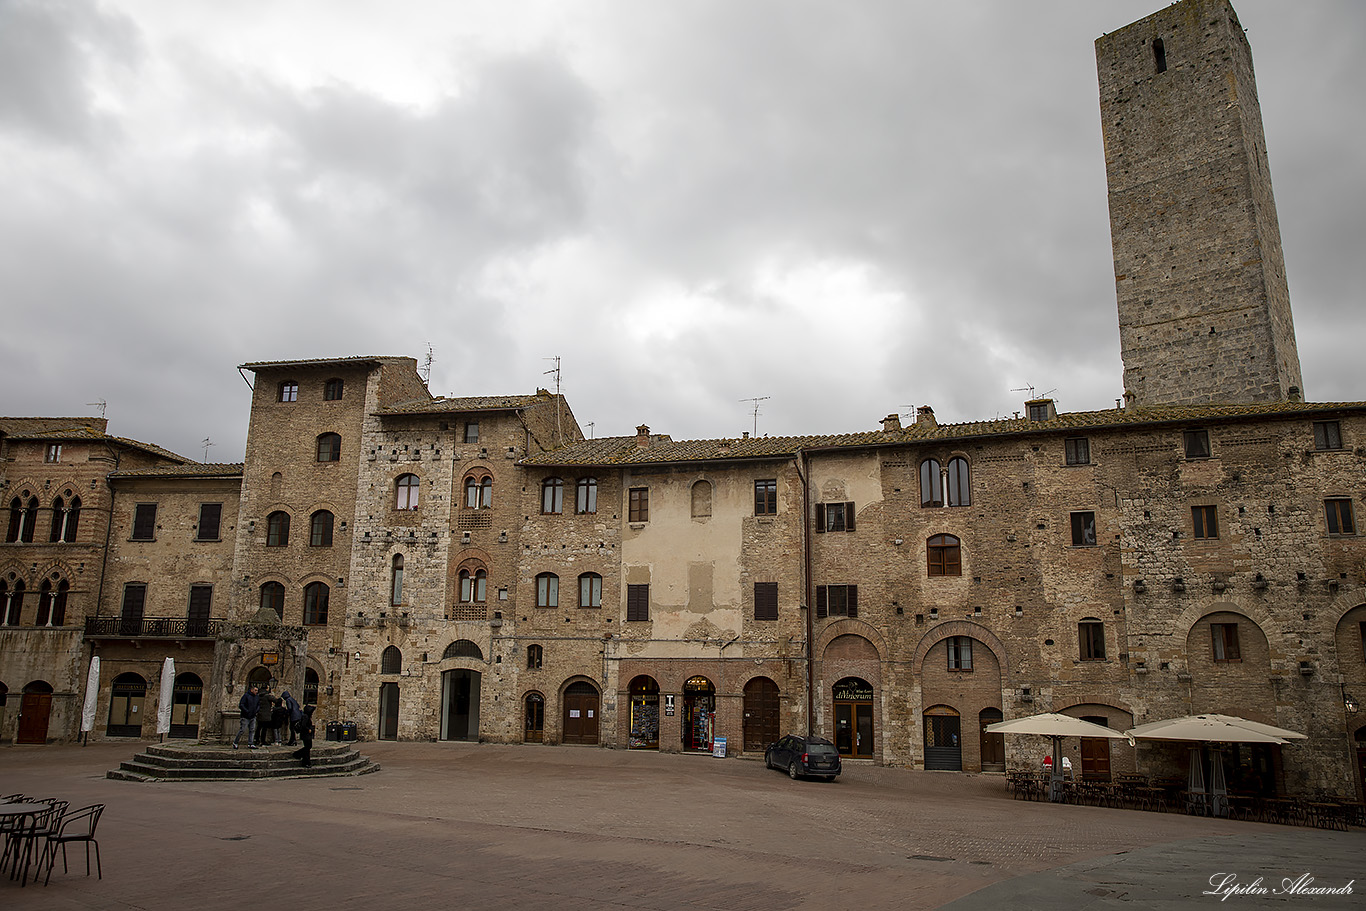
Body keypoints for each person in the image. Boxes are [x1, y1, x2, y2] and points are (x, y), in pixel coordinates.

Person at [233, 684, 261, 750]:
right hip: (245, 716)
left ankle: (250, 743)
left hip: (253, 716)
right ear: (251, 690)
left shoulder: (257, 697)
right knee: (242, 730)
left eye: (257, 690)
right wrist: (247, 711)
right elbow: (241, 705)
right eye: (255, 690)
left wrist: (257, 710)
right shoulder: (246, 696)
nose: (256, 691)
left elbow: (258, 704)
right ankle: (235, 742)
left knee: (252, 730)